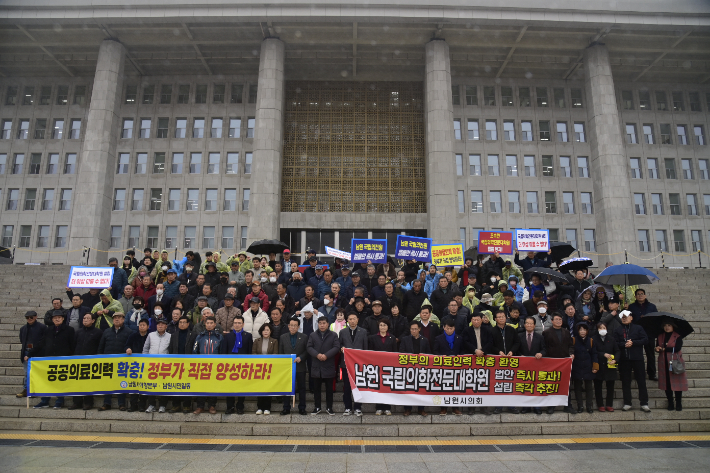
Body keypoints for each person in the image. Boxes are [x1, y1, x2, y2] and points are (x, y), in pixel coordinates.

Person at [33, 311, 75, 409]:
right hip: (49, 359)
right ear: (52, 319)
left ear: (63, 318)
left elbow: (72, 344)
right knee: (47, 380)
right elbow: (41, 343)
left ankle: (59, 401)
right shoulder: (48, 330)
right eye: (55, 317)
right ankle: (44, 401)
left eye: (59, 317)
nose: (57, 319)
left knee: (61, 381)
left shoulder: (69, 330)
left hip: (63, 359)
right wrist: (30, 353)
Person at [613, 310, 651, 412]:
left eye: (627, 316)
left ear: (631, 317)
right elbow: (615, 343)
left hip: (637, 358)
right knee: (625, 381)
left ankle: (644, 403)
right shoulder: (618, 330)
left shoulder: (638, 328)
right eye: (623, 317)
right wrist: (624, 344)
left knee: (641, 381)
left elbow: (645, 340)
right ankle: (627, 402)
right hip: (624, 360)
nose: (624, 318)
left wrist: (633, 342)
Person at [98, 312, 134, 411]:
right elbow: (101, 346)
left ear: (123, 319)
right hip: (108, 361)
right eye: (114, 318)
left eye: (119, 318)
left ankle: (121, 403)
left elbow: (131, 345)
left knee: (121, 382)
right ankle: (106, 403)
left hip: (122, 362)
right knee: (108, 383)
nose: (116, 320)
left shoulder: (129, 332)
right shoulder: (107, 331)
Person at [68, 313, 103, 410]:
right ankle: (77, 402)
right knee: (77, 382)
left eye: (88, 318)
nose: (85, 320)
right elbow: (73, 345)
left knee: (88, 383)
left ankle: (88, 402)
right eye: (84, 318)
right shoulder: (78, 332)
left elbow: (100, 347)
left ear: (93, 321)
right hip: (77, 360)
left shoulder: (98, 332)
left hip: (91, 361)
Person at [542, 313, 576, 414]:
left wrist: (571, 354)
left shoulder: (566, 332)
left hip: (565, 363)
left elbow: (571, 345)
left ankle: (568, 405)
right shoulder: (546, 332)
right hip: (552, 363)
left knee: (566, 385)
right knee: (552, 385)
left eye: (560, 319)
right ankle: (551, 406)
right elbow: (544, 347)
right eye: (556, 319)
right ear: (552, 321)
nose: (558, 321)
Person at [490, 309, 521, 415]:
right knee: (499, 384)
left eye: (503, 316)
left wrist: (512, 351)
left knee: (510, 384)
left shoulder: (511, 329)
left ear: (506, 317)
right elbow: (490, 345)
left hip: (511, 360)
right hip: (498, 362)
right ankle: (498, 406)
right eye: (499, 317)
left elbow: (517, 342)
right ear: (495, 319)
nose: (501, 318)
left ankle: (511, 406)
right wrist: (498, 352)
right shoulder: (492, 331)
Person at [307, 316, 340, 415]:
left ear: (328, 324)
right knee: (316, 389)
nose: (322, 325)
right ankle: (317, 407)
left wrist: (326, 355)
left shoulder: (333, 335)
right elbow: (309, 347)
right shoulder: (313, 335)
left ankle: (329, 407)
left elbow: (336, 347)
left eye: (324, 323)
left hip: (328, 364)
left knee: (329, 389)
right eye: (320, 323)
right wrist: (317, 355)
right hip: (316, 365)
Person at [338, 312, 368, 416]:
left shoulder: (363, 332)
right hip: (346, 364)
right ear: (347, 321)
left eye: (354, 319)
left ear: (357, 320)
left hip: (359, 365)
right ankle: (347, 407)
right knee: (346, 387)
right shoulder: (342, 332)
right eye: (350, 319)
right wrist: (341, 348)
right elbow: (339, 344)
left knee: (358, 387)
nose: (352, 321)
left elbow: (365, 348)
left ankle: (358, 407)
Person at [399, 320, 430, 416]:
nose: (414, 331)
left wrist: (423, 355)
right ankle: (407, 409)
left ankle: (421, 409)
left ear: (419, 329)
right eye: (412, 329)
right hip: (409, 368)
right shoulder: (405, 339)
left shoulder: (424, 340)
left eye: (415, 329)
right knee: (408, 388)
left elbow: (429, 354)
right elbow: (401, 352)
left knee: (421, 389)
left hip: (421, 368)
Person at [192, 316, 223, 414]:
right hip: (202, 366)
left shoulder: (219, 337)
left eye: (211, 323)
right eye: (207, 323)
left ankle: (212, 406)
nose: (209, 325)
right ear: (205, 324)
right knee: (201, 386)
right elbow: (194, 350)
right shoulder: (200, 336)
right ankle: (200, 406)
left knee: (213, 386)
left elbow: (222, 352)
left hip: (214, 367)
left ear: (215, 324)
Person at [656, 320, 687, 411]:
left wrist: (664, 348)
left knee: (677, 384)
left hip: (675, 362)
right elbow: (657, 346)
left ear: (673, 326)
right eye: (665, 325)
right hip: (663, 362)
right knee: (667, 384)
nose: (667, 327)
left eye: (669, 325)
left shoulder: (677, 336)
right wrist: (657, 348)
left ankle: (678, 403)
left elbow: (677, 348)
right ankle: (670, 402)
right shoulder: (660, 336)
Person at [518, 316, 547, 414]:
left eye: (531, 323)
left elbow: (544, 349)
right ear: (524, 324)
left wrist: (541, 353)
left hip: (537, 365)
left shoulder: (540, 337)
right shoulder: (519, 336)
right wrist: (519, 355)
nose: (529, 325)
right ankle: (526, 407)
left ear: (534, 325)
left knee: (536, 386)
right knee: (525, 386)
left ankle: (537, 407)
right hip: (523, 366)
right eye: (527, 323)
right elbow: (515, 349)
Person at [368, 319, 397, 415]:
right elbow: (370, 353)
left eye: (384, 325)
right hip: (377, 367)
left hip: (388, 367)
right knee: (378, 387)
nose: (382, 327)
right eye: (381, 325)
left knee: (387, 387)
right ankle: (379, 407)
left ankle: (387, 407)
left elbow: (395, 353)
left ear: (388, 327)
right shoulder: (373, 338)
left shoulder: (392, 338)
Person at [279, 317, 308, 416]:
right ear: (288, 326)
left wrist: (301, 357)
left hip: (300, 366)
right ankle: (286, 407)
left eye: (295, 325)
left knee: (302, 388)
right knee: (287, 388)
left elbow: (307, 351)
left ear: (298, 327)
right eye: (291, 325)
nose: (293, 327)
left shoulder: (304, 337)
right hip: (287, 368)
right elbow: (281, 352)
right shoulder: (283, 337)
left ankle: (302, 408)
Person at [628, 288, 659, 381]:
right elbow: (628, 319)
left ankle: (652, 373)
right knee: (637, 355)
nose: (640, 295)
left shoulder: (652, 306)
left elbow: (656, 320)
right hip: (636, 334)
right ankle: (638, 373)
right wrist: (625, 309)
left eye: (642, 294)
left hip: (649, 333)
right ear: (635, 296)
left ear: (645, 295)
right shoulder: (631, 307)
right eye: (638, 294)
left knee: (650, 355)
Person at [168, 315, 195, 413]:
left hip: (188, 364)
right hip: (176, 364)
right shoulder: (174, 335)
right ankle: (176, 405)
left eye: (184, 322)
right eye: (180, 322)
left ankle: (186, 405)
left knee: (187, 384)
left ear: (188, 324)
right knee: (176, 385)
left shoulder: (193, 335)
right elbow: (171, 349)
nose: (182, 324)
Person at [571, 322, 598, 414]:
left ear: (587, 331)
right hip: (576, 367)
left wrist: (595, 366)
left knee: (589, 388)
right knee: (577, 388)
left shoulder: (591, 340)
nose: (582, 331)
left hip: (588, 367)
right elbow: (570, 350)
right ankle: (580, 406)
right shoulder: (573, 340)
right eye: (580, 329)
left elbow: (594, 354)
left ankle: (589, 406)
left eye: (584, 329)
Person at [592, 321, 619, 412]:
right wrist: (602, 354)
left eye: (604, 328)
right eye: (600, 328)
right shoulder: (594, 339)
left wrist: (615, 359)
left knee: (610, 387)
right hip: (599, 365)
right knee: (598, 386)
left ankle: (609, 404)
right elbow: (593, 351)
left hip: (610, 366)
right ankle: (600, 405)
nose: (602, 330)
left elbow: (617, 351)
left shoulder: (611, 339)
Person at [252, 323, 278, 415]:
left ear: (270, 331)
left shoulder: (274, 341)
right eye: (264, 330)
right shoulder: (256, 341)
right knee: (260, 387)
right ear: (261, 331)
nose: (266, 332)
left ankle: (267, 407)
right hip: (259, 367)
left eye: (267, 330)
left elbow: (275, 354)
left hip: (269, 367)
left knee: (268, 388)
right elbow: (254, 353)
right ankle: (260, 407)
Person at [125, 318, 150, 412]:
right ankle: (133, 404)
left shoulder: (150, 336)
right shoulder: (133, 335)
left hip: (146, 364)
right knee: (134, 384)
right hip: (134, 364)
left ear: (148, 326)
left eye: (144, 325)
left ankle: (142, 405)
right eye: (140, 325)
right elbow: (127, 345)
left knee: (144, 384)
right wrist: (128, 349)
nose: (142, 327)